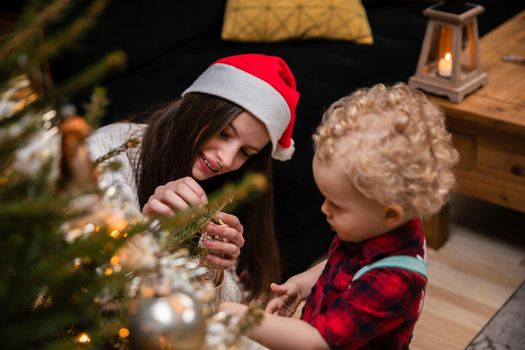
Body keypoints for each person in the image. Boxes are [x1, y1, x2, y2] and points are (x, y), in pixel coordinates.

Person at [220, 83, 459, 349]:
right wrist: (302, 284)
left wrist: (238, 316)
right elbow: (343, 263)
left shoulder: (394, 282)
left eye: (337, 205)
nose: (324, 209)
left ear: (390, 214)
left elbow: (318, 341)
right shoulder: (377, 227)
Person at [87, 53, 300, 302]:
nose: (227, 160)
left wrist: (216, 270)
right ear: (197, 110)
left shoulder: (224, 191)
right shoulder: (108, 152)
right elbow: (88, 282)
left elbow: (220, 316)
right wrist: (148, 231)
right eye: (223, 133)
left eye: (245, 152)